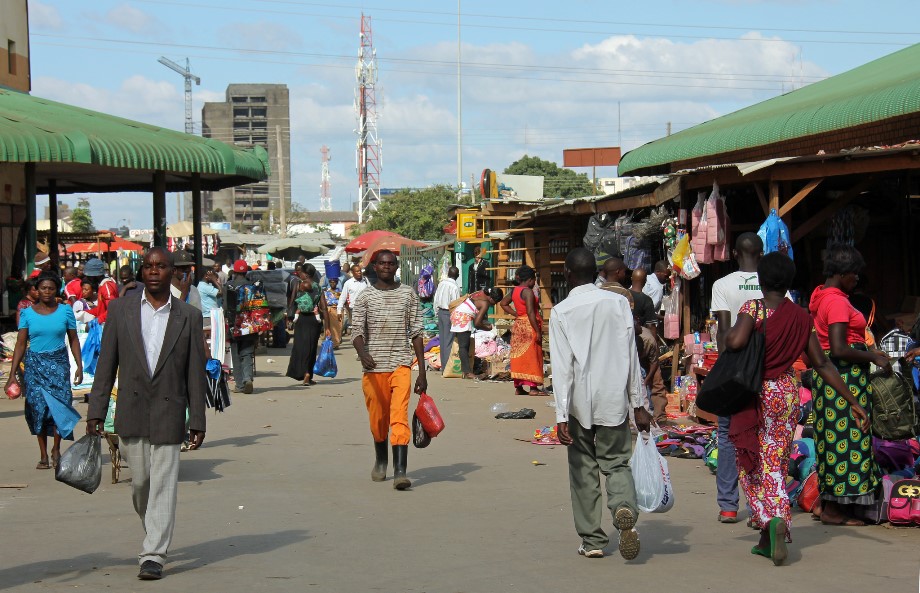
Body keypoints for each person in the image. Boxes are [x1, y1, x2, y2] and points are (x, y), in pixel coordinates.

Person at [723, 252, 867, 565]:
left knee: (751, 462)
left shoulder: (754, 308)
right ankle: (768, 535)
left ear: (760, 280)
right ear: (789, 282)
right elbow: (823, 363)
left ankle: (771, 519)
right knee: (776, 460)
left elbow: (734, 342)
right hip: (787, 394)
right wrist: (853, 402)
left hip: (755, 393)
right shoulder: (802, 317)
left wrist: (728, 329)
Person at [86, 247, 207, 581]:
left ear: (173, 273)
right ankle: (153, 530)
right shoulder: (120, 310)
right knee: (141, 483)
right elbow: (106, 364)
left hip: (170, 408)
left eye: (161, 266)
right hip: (132, 407)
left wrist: (197, 418)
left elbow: (194, 372)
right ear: (142, 272)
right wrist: (95, 410)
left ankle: (153, 553)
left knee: (164, 484)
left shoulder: (188, 316)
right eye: (148, 266)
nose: (154, 271)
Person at [550, 248, 650, 561]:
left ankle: (592, 539)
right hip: (613, 400)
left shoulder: (562, 311)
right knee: (617, 462)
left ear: (567, 275)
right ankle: (623, 506)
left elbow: (563, 367)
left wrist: (561, 414)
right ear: (596, 272)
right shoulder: (619, 302)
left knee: (583, 469)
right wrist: (638, 402)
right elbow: (631, 356)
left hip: (580, 403)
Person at [809, 244, 890, 525]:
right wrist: (874, 357)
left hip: (834, 381)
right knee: (848, 442)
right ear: (843, 273)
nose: (857, 279)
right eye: (854, 274)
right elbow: (839, 347)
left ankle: (826, 504)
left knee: (833, 443)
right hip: (843, 381)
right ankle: (834, 510)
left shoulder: (824, 297)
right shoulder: (836, 302)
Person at [351, 250, 427, 490]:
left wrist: (422, 372)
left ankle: (401, 471)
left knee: (399, 416)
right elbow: (356, 332)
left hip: (400, 365)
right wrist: (363, 354)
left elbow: (416, 332)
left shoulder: (408, 294)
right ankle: (381, 460)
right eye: (382, 263)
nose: (386, 266)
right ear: (374, 266)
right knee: (378, 419)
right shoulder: (365, 297)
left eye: (391, 263)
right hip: (373, 370)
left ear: (397, 267)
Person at [709, 232, 765, 524]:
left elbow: (723, 331)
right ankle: (760, 508)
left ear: (733, 253)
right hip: (766, 371)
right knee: (761, 436)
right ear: (762, 253)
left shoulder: (722, 284)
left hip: (734, 370)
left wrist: (724, 371)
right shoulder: (774, 284)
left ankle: (729, 506)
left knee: (727, 437)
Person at [5, 272, 83, 470]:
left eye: (51, 288)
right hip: (34, 367)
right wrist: (12, 374)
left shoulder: (65, 311)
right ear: (36, 290)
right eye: (43, 288)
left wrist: (79, 365)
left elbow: (73, 340)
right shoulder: (27, 313)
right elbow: (21, 344)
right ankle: (43, 454)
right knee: (37, 408)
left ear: (56, 290)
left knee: (59, 407)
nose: (47, 292)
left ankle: (56, 449)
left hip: (58, 365)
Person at [499, 265, 546, 395]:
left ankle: (519, 387)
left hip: (519, 325)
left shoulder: (515, 291)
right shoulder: (528, 292)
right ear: (530, 279)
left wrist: (516, 314)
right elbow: (531, 312)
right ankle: (533, 387)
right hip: (529, 326)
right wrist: (537, 331)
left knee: (518, 356)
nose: (535, 282)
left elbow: (503, 303)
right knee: (532, 355)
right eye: (534, 280)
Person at [286, 264, 330, 385]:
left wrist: (289, 317)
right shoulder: (318, 287)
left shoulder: (298, 284)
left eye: (300, 272)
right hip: (314, 321)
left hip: (301, 319)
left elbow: (292, 300)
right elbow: (324, 308)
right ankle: (308, 374)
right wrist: (328, 327)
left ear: (305, 273)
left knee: (300, 347)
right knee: (311, 347)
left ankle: (304, 372)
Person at [450, 287, 504, 380]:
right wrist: (487, 328)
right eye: (495, 302)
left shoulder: (480, 294)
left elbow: (476, 316)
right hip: (462, 318)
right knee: (464, 347)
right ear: (492, 299)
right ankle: (467, 372)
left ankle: (466, 371)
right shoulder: (485, 303)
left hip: (457, 314)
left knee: (463, 346)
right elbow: (477, 323)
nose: (494, 304)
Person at [224, 260, 259, 394]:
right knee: (247, 352)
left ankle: (239, 385)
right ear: (245, 272)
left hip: (234, 324)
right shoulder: (253, 286)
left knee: (236, 353)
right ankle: (247, 378)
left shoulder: (229, 286)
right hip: (249, 324)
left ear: (235, 272)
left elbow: (226, 307)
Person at [598, 258, 657, 331]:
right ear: (618, 272)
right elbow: (629, 320)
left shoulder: (598, 290)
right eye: (624, 272)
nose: (625, 275)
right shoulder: (624, 293)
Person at [432, 266, 462, 370]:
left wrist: (436, 312)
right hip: (449, 313)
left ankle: (444, 366)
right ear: (457, 276)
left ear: (448, 274)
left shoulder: (441, 284)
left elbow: (436, 299)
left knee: (443, 340)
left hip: (440, 312)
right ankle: (446, 367)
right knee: (449, 340)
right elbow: (456, 304)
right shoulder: (455, 287)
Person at [83, 258, 119, 323]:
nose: (88, 279)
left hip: (108, 325)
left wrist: (97, 321)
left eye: (89, 276)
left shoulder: (106, 286)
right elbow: (101, 309)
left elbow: (112, 309)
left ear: (96, 275)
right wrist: (84, 312)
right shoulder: (102, 285)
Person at [338, 264, 369, 335]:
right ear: (352, 273)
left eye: (360, 271)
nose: (359, 272)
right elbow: (343, 297)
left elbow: (370, 293)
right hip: (354, 309)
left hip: (366, 308)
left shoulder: (365, 281)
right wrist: (339, 310)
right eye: (357, 271)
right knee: (357, 329)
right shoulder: (348, 283)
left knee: (365, 329)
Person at [324, 277, 343, 348]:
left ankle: (336, 342)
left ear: (337, 283)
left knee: (338, 326)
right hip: (329, 310)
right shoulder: (326, 292)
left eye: (334, 282)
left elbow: (343, 301)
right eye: (331, 282)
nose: (332, 283)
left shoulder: (340, 292)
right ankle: (331, 343)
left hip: (338, 310)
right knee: (330, 327)